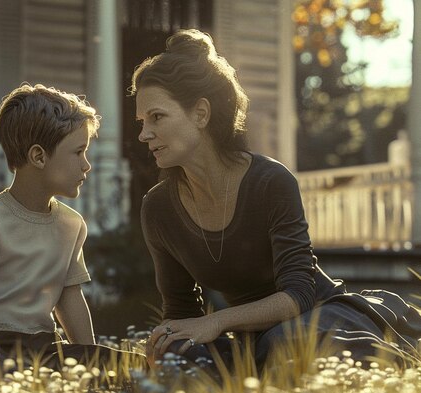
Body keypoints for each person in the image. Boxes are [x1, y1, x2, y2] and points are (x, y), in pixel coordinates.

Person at [131, 29, 421, 374]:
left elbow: (298, 294)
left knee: (284, 343)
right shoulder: (158, 208)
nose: (144, 134)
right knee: (177, 355)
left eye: (157, 117)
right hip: (253, 336)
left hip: (319, 316)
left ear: (201, 114)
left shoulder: (270, 181)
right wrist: (170, 338)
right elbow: (180, 310)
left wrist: (218, 322)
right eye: (141, 121)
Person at [0, 83, 143, 373]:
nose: (87, 165)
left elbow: (70, 296)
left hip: (43, 349)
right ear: (39, 156)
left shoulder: (72, 224)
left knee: (131, 365)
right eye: (78, 152)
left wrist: (88, 360)